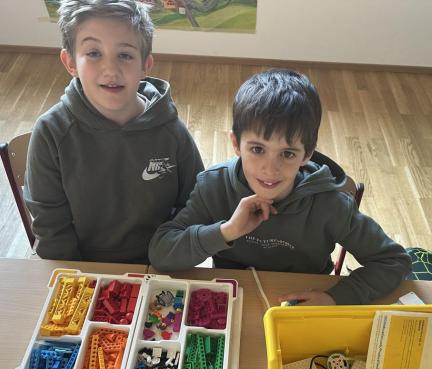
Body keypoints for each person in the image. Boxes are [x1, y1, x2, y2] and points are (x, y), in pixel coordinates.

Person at [149, 69, 411, 305]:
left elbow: (394, 262)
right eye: (257, 149)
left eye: (287, 153)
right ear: (236, 143)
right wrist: (227, 231)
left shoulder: (330, 204)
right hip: (233, 303)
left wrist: (335, 297)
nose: (270, 169)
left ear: (307, 153)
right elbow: (161, 252)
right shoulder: (213, 186)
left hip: (301, 308)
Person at [24, 0, 203, 263]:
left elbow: (196, 203)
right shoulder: (51, 133)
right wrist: (81, 279)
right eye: (94, 53)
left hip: (159, 266)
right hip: (81, 268)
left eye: (125, 55)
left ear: (145, 64)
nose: (110, 69)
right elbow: (52, 230)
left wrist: (166, 259)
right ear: (70, 62)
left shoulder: (171, 131)